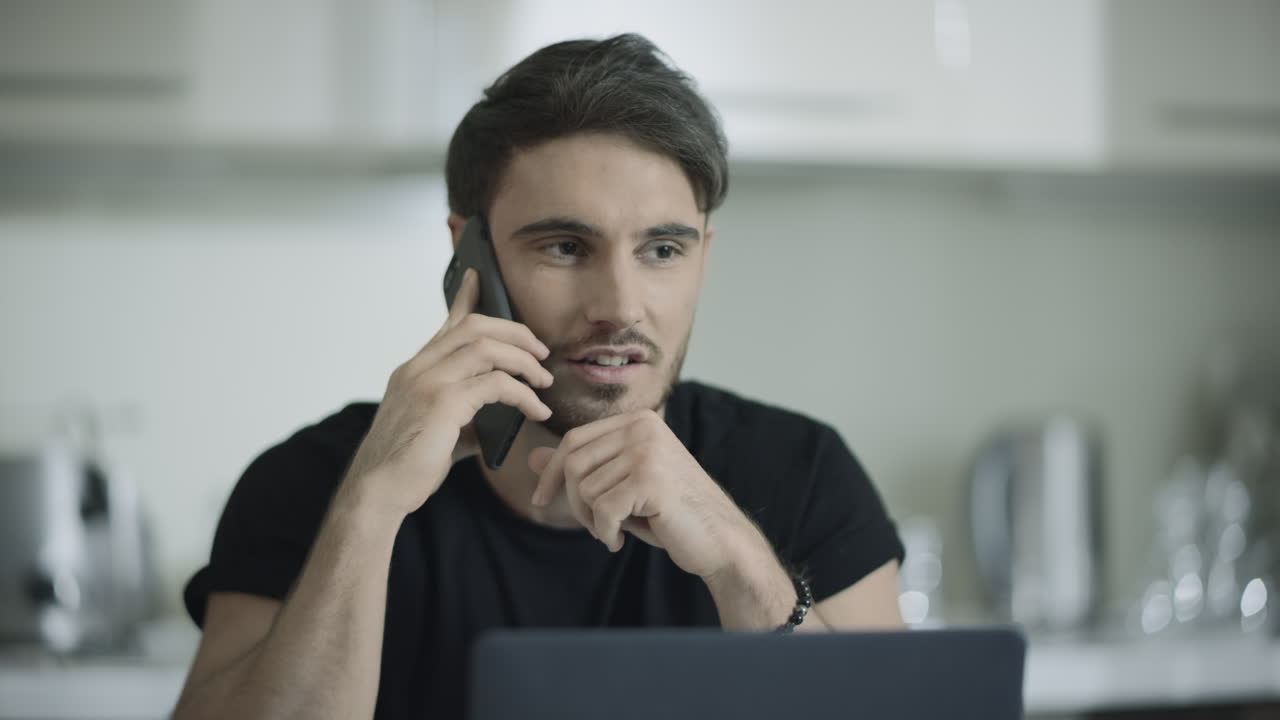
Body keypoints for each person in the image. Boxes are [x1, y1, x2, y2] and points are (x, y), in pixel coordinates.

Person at [173, 33, 905, 720]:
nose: (619, 307)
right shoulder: (310, 482)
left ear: (702, 259)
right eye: (565, 246)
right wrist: (369, 508)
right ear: (470, 256)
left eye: (661, 251)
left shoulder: (801, 471)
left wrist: (739, 563)